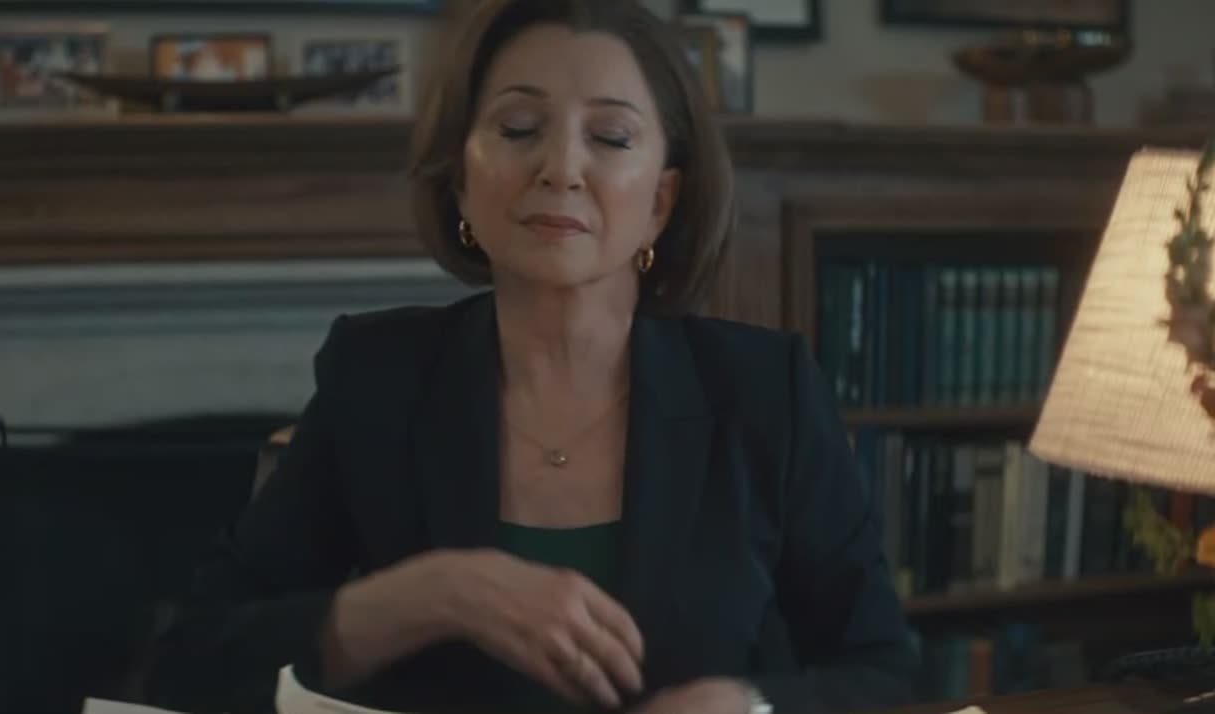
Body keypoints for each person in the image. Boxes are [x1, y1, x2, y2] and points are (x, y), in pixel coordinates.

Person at [144, 1, 916, 712]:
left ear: (661, 201)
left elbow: (883, 670)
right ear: (461, 180)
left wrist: (748, 708)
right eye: (518, 128)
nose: (561, 168)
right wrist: (436, 593)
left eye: (610, 138)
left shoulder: (766, 390)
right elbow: (188, 662)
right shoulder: (375, 376)